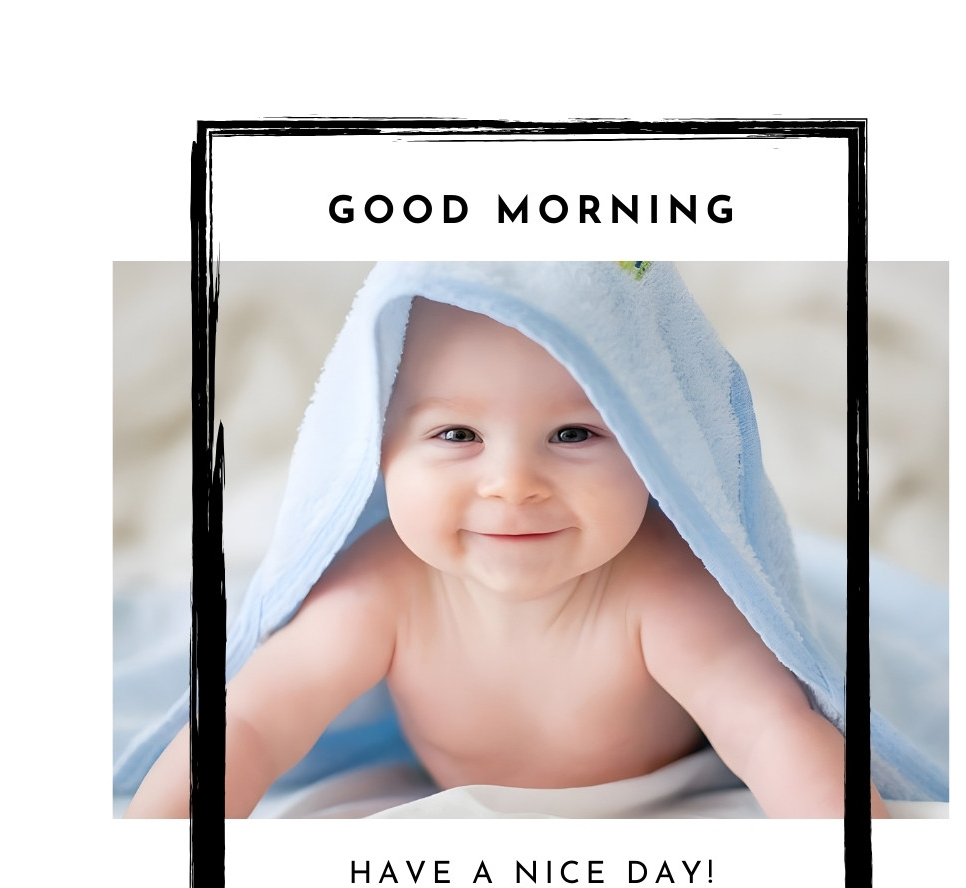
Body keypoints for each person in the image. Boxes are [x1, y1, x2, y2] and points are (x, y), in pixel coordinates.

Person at [126, 296, 888, 819]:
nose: (513, 486)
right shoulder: (385, 586)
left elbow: (770, 731)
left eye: (574, 434)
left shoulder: (664, 585)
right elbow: (254, 720)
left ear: (657, 451)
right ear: (376, 448)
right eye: (457, 435)